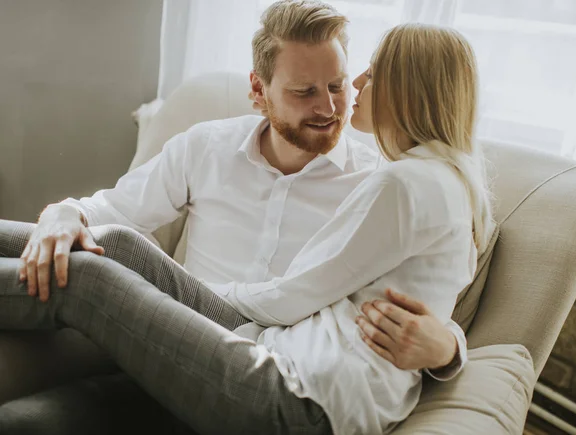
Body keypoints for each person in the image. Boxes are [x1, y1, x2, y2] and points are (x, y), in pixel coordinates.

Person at [0, 1, 490, 433]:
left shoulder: (382, 181)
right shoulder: (206, 146)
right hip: (182, 342)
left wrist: (448, 347)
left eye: (338, 85)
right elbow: (110, 210)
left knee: (97, 271)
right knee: (26, 417)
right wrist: (63, 212)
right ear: (260, 89)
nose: (331, 106)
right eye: (304, 92)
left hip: (250, 353)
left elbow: (436, 275)